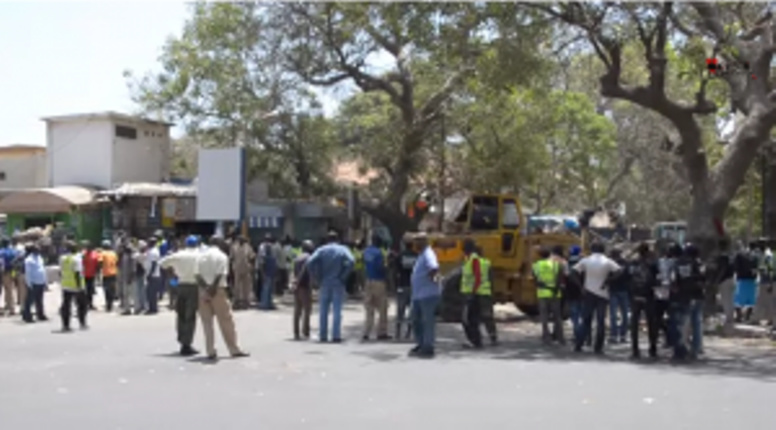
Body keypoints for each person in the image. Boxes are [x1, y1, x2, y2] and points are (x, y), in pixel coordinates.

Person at [195, 236, 249, 361]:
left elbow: (196, 274)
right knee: (226, 321)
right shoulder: (222, 256)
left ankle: (210, 351)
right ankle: (233, 349)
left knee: (207, 323)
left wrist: (206, 288)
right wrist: (213, 288)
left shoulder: (200, 256)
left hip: (203, 290)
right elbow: (220, 274)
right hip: (218, 290)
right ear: (219, 243)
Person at [305, 231, 354, 343]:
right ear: (337, 239)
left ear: (327, 239)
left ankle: (323, 335)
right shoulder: (342, 249)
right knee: (337, 310)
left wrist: (316, 277)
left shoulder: (321, 250)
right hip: (338, 282)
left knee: (323, 310)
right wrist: (344, 275)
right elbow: (351, 261)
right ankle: (336, 335)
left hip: (324, 282)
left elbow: (310, 262)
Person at [573, 242, 621, 354]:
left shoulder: (586, 260)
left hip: (588, 292)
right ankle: (598, 347)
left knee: (585, 320)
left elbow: (573, 272)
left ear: (592, 249)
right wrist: (609, 281)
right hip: (602, 294)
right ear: (603, 249)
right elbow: (620, 271)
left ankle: (578, 344)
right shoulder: (607, 261)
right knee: (600, 322)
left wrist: (580, 286)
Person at [160, 235, 202, 356]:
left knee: (181, 314)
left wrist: (173, 272)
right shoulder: (199, 255)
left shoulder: (179, 254)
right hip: (194, 286)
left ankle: (181, 339)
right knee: (191, 316)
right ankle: (187, 344)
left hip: (181, 285)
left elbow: (162, 263)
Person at [669, 243, 703, 361]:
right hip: (695, 296)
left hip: (681, 296)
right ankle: (695, 348)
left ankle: (680, 349)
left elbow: (673, 280)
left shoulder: (677, 263)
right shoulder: (697, 264)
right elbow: (702, 279)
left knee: (681, 324)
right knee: (696, 323)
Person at [461, 239, 498, 348]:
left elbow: (477, 277)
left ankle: (479, 339)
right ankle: (490, 337)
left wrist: (472, 292)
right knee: (484, 316)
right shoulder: (475, 261)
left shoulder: (474, 261)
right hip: (479, 292)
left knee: (474, 317)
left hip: (477, 292)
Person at [409, 233, 441, 358]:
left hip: (428, 295)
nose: (414, 244)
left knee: (427, 321)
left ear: (422, 242)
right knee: (416, 320)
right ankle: (421, 343)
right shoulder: (421, 255)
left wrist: (432, 278)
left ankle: (428, 346)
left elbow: (434, 267)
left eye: (416, 242)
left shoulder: (428, 253)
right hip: (418, 295)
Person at [628, 243, 659, 359]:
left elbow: (627, 276)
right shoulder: (652, 263)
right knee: (651, 322)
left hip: (635, 295)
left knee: (634, 323)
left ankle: (635, 349)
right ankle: (653, 348)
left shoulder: (632, 263)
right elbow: (658, 277)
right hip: (648, 295)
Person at [362, 234, 391, 341]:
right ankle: (381, 332)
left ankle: (366, 332)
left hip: (368, 280)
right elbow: (380, 267)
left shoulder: (366, 251)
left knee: (369, 308)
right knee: (382, 307)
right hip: (378, 281)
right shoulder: (379, 253)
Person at [533, 248, 563, 344]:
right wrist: (556, 289)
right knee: (557, 316)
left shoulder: (536, 265)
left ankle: (546, 337)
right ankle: (560, 337)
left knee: (544, 316)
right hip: (555, 293)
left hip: (542, 293)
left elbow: (535, 280)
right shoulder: (556, 265)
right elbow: (559, 279)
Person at [59, 241, 88, 331]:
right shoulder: (76, 259)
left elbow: (60, 272)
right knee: (82, 305)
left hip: (65, 285)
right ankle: (82, 323)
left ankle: (65, 325)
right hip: (76, 285)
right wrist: (79, 286)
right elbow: (77, 273)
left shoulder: (62, 258)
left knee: (66, 306)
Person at [394, 237, 418, 339]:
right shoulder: (417, 256)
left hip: (402, 285)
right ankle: (408, 333)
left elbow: (395, 272)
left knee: (400, 310)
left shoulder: (400, 256)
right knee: (411, 311)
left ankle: (398, 333)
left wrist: (395, 285)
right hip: (413, 286)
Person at [291, 240, 314, 340]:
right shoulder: (309, 258)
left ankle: (296, 332)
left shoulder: (297, 258)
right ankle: (305, 331)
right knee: (307, 310)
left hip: (297, 285)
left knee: (297, 311)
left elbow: (294, 272)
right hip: (305, 286)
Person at [608, 248, 631, 344]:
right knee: (624, 314)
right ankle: (623, 335)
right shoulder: (626, 263)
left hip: (614, 290)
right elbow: (630, 276)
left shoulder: (609, 263)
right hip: (624, 290)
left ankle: (614, 335)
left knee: (613, 315)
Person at [22, 243, 48, 323]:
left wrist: (45, 282)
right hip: (33, 282)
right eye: (37, 250)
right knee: (30, 300)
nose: (38, 251)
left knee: (39, 300)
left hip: (41, 281)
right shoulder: (29, 260)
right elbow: (28, 273)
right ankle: (27, 316)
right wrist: (29, 283)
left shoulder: (40, 258)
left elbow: (43, 270)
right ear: (33, 251)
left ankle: (40, 314)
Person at [733, 245, 758, 322]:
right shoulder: (755, 256)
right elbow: (756, 268)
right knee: (751, 300)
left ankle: (739, 316)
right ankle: (748, 316)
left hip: (741, 279)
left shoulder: (739, 255)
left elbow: (735, 267)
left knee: (737, 300)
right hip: (751, 280)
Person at [565, 245, 584, 338]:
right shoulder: (583, 262)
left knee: (574, 312)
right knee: (582, 312)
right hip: (583, 290)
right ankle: (582, 332)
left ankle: (576, 331)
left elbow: (566, 276)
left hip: (571, 290)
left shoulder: (567, 262)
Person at [231, 236, 255, 310]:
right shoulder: (234, 247)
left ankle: (246, 301)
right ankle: (236, 300)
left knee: (246, 285)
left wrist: (251, 266)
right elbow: (231, 257)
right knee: (236, 285)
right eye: (240, 240)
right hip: (237, 267)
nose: (241, 241)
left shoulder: (248, 247)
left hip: (246, 267)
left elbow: (252, 257)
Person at [257, 234, 278, 310]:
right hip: (267, 272)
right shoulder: (263, 251)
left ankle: (268, 303)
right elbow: (262, 263)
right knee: (266, 288)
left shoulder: (271, 252)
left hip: (270, 273)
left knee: (269, 289)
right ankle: (265, 304)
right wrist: (263, 273)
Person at [81, 241, 102, 311]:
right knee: (85, 290)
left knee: (91, 290)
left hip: (92, 275)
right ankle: (85, 304)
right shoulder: (83, 254)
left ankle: (90, 304)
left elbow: (98, 264)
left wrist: (98, 273)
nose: (87, 248)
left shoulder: (94, 254)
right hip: (84, 275)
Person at [1, 238, 19, 316]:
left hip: (4, 272)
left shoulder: (1, 252)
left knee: (6, 289)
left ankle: (11, 307)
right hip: (13, 271)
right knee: (10, 289)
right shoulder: (13, 251)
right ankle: (9, 305)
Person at [118, 238, 136, 316]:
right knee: (125, 294)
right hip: (124, 277)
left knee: (131, 294)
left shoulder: (131, 257)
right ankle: (127, 309)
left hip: (129, 278)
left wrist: (130, 277)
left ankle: (133, 309)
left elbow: (133, 268)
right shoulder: (124, 256)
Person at [145, 237, 162, 314]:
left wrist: (150, 274)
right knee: (152, 293)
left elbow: (154, 264)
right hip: (154, 274)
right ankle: (153, 307)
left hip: (153, 275)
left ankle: (153, 308)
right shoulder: (152, 251)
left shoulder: (153, 252)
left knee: (151, 293)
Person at [100, 241, 119, 312]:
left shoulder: (103, 253)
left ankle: (108, 305)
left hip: (106, 274)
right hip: (114, 273)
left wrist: (99, 270)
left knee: (106, 290)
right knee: (112, 289)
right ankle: (111, 304)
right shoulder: (114, 253)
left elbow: (100, 262)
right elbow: (117, 262)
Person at [133, 240, 149, 315]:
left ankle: (142, 307)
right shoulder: (140, 255)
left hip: (143, 274)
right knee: (139, 292)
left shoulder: (140, 255)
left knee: (142, 291)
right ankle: (139, 307)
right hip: (139, 274)